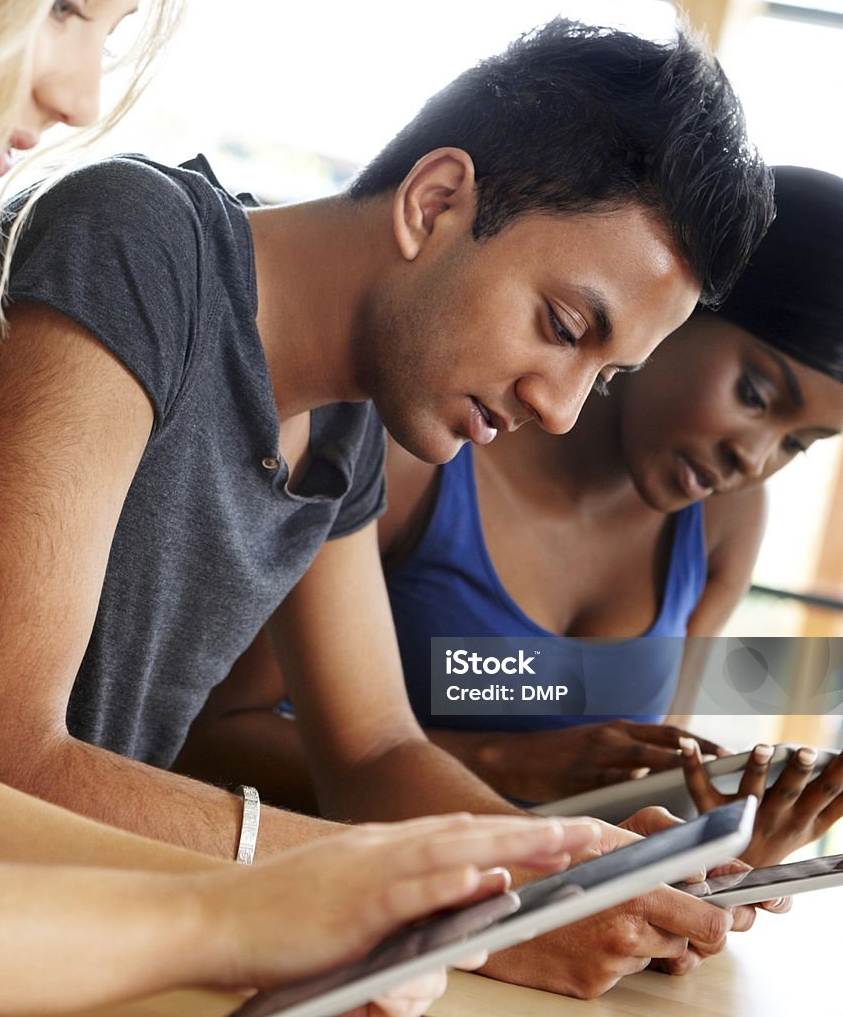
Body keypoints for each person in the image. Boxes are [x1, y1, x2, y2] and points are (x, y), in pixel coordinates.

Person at [0, 19, 773, 1000]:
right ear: (435, 201)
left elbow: (374, 749)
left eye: (604, 378)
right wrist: (435, 909)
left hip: (58, 944)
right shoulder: (136, 248)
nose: (559, 405)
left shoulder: (347, 428)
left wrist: (559, 864)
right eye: (565, 327)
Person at [179, 166, 843, 872]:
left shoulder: (724, 524)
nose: (756, 455)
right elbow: (213, 735)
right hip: (317, 881)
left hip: (526, 920)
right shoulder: (420, 447)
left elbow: (643, 790)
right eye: (754, 392)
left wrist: (719, 845)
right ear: (674, 308)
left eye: (799, 444)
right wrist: (504, 765)